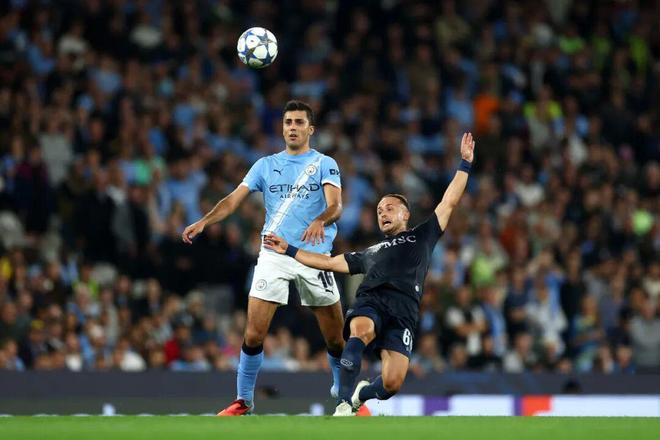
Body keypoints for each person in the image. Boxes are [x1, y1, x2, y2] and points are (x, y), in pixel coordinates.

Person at [264, 133, 476, 416]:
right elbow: (329, 263)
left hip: (404, 311)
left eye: (389, 208)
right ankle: (342, 403)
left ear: (405, 214)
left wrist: (465, 164)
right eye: (378, 210)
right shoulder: (371, 252)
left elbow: (448, 201)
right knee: (360, 332)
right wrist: (289, 249)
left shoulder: (423, 236)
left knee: (392, 383)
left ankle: (359, 394)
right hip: (372, 300)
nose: (382, 213)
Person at [182, 100, 345, 415]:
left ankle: (345, 396)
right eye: (288, 122)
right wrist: (204, 221)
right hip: (273, 253)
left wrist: (320, 220)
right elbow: (233, 201)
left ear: (311, 129)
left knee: (336, 339)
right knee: (254, 332)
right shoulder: (265, 165)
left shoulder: (325, 163)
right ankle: (243, 401)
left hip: (314, 255)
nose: (293, 127)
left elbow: (336, 206)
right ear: (282, 128)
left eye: (299, 122)